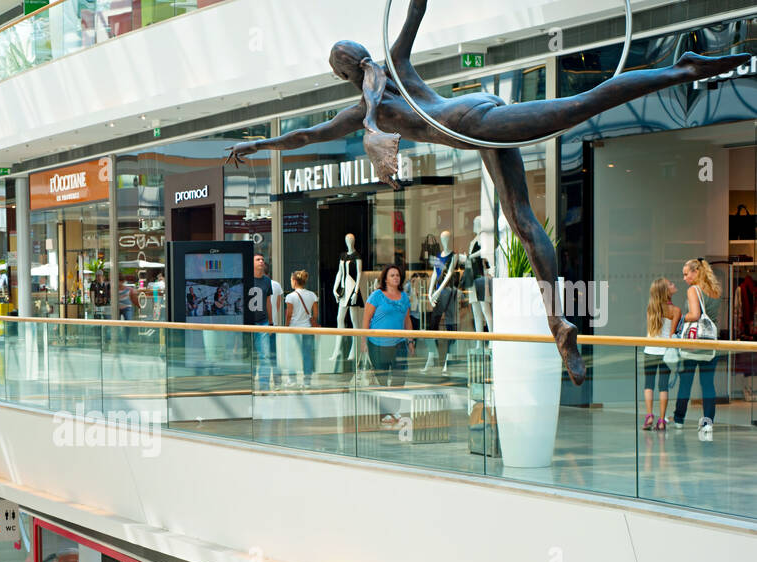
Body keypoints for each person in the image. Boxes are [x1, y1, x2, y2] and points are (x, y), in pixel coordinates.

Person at [226, 1, 750, 385]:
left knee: (577, 109)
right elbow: (306, 133)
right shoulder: (377, 92)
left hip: (472, 119)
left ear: (342, 72)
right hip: (473, 128)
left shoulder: (378, 91)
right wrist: (260, 142)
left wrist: (265, 142)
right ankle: (557, 321)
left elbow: (410, 15)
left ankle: (681, 69)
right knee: (522, 218)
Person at [671, 258, 722, 440]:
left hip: (694, 344)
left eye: (686, 274)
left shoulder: (694, 290)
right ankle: (708, 422)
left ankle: (679, 419)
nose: (684, 278)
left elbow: (695, 315)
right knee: (707, 384)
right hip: (711, 344)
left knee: (686, 382)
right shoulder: (715, 291)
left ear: (696, 272)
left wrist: (681, 318)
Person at [361, 263, 417, 425]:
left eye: (397, 275)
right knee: (382, 379)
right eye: (392, 275)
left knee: (400, 377)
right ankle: (384, 413)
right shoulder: (377, 296)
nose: (395, 277)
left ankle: (393, 410)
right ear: (385, 278)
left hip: (399, 343)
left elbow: (407, 320)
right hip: (377, 343)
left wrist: (411, 341)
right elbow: (366, 319)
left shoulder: (404, 296)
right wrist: (363, 341)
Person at [643, 278, 680, 431]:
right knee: (663, 387)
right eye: (671, 284)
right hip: (665, 352)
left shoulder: (650, 309)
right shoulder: (675, 311)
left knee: (648, 385)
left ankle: (649, 415)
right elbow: (671, 334)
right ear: (666, 291)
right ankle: (661, 420)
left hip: (649, 350)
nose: (674, 284)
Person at [283, 269, 321, 388]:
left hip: (294, 329)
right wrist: (311, 319)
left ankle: (292, 379)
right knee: (307, 355)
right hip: (307, 329)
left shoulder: (290, 297)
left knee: (291, 355)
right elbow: (315, 314)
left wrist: (285, 327)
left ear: (294, 281)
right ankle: (307, 381)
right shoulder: (312, 295)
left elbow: (289, 314)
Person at [247, 253, 279, 389]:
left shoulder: (267, 281)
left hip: (263, 322)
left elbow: (268, 302)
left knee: (265, 356)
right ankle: (249, 385)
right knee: (249, 357)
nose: (261, 261)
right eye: (258, 259)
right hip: (248, 323)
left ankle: (264, 385)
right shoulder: (246, 278)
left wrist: (271, 323)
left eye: (262, 260)